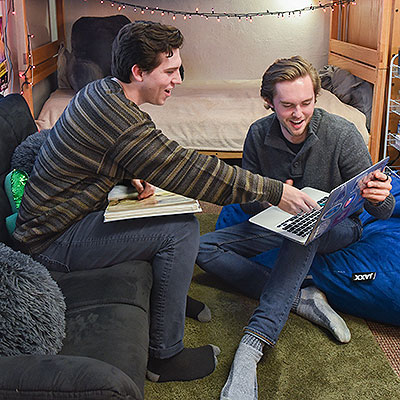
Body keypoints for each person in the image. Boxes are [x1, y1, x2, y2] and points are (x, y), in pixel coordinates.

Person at [12, 24, 316, 383]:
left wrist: (126, 175)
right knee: (182, 230)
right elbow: (192, 168)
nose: (178, 80)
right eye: (170, 72)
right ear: (138, 72)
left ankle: (166, 296)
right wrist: (276, 192)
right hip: (52, 240)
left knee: (174, 214)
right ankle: (165, 355)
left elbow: (93, 157)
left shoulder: (101, 91)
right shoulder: (120, 121)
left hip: (68, 215)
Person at [196, 56, 395, 399]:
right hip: (277, 220)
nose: (298, 113)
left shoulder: (343, 134)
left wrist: (378, 196)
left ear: (316, 98)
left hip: (341, 226)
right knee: (203, 248)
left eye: (306, 103)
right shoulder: (258, 134)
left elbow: (382, 210)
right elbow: (245, 203)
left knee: (306, 230)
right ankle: (302, 298)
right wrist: (270, 200)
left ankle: (252, 345)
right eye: (286, 105)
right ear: (269, 102)